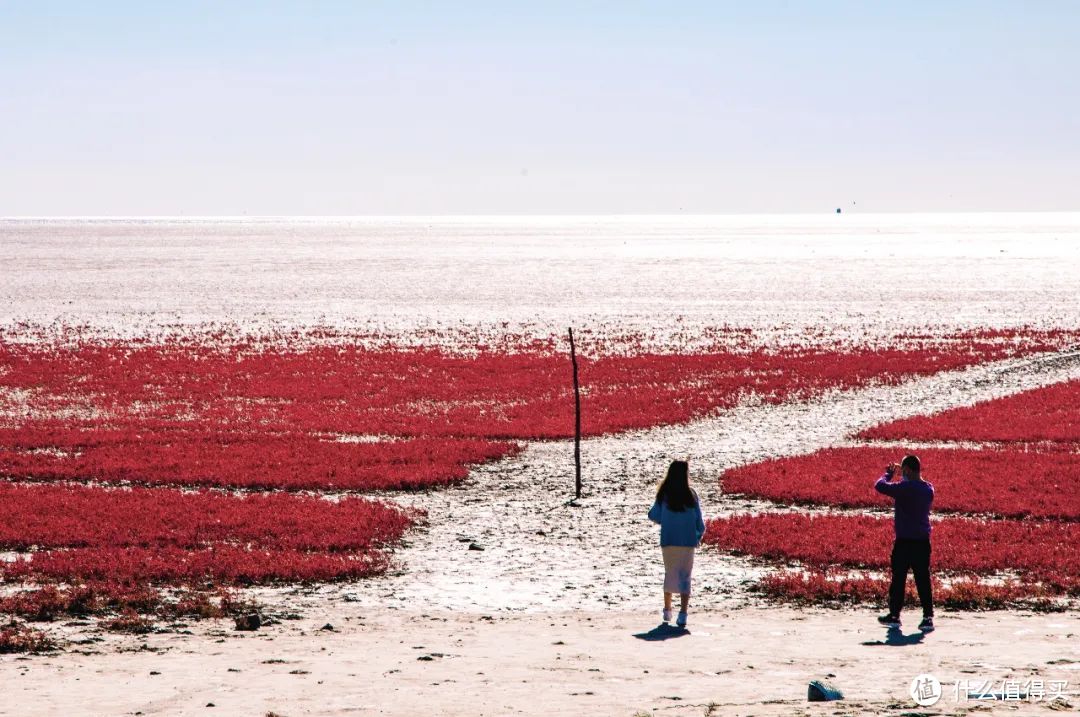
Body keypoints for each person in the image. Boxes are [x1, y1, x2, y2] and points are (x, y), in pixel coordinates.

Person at [875, 454, 935, 632]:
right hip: (922, 542)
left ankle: (894, 616)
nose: (902, 474)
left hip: (904, 542)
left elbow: (879, 486)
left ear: (907, 470)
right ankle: (928, 617)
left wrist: (888, 474)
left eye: (903, 470)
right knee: (923, 579)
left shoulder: (904, 488)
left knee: (898, 579)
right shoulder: (928, 489)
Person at [648, 459, 705, 628]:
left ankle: (667, 610)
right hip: (687, 541)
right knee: (685, 576)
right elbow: (699, 523)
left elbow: (654, 515)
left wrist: (667, 520)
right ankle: (683, 614)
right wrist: (698, 535)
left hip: (669, 539)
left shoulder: (664, 494)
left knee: (670, 573)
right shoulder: (691, 495)